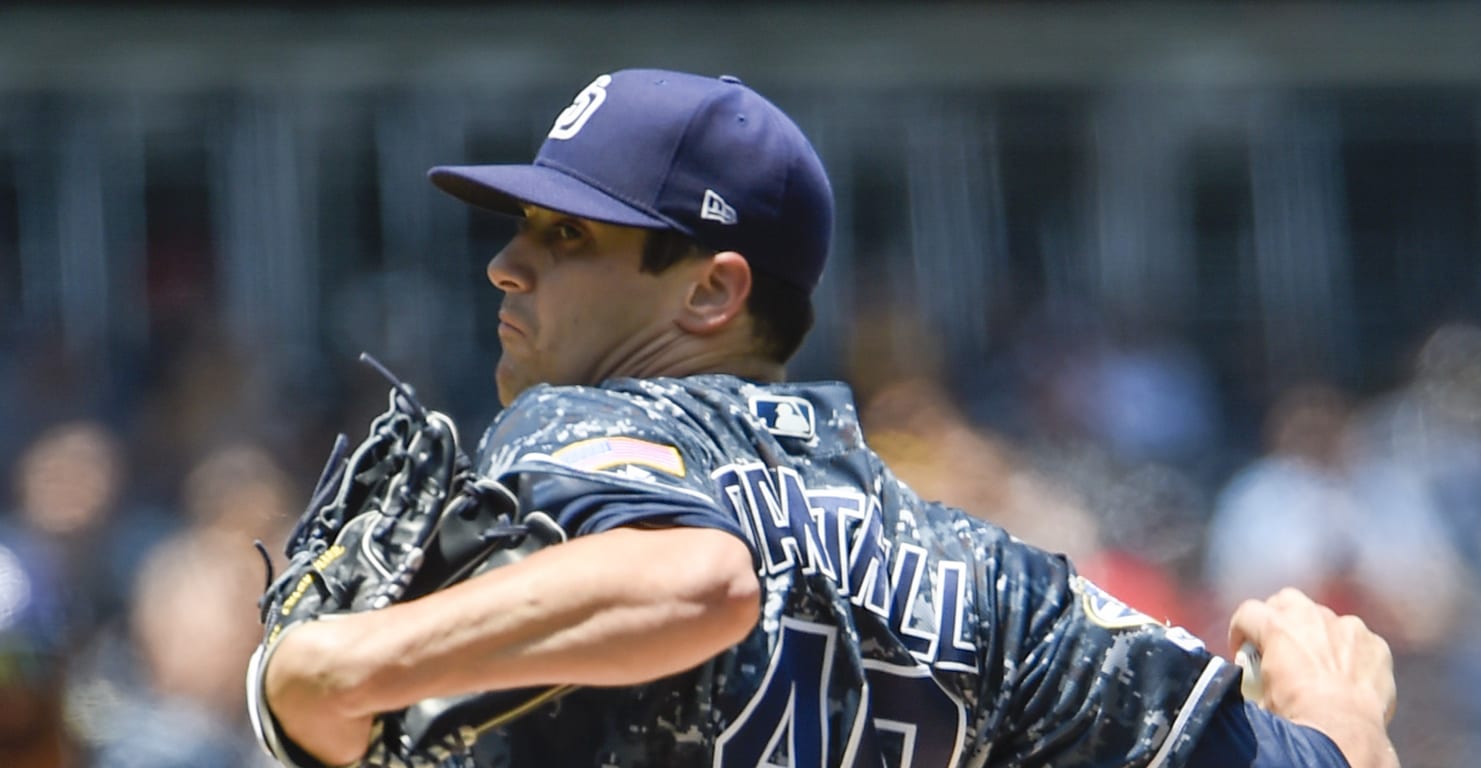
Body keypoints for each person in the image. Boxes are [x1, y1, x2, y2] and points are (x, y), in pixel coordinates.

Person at [258, 69, 1398, 767]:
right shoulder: (977, 573)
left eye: (568, 237)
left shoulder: (571, 432)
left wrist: (332, 665)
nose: (506, 265)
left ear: (711, 290)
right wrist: (1342, 722)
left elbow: (694, 582)